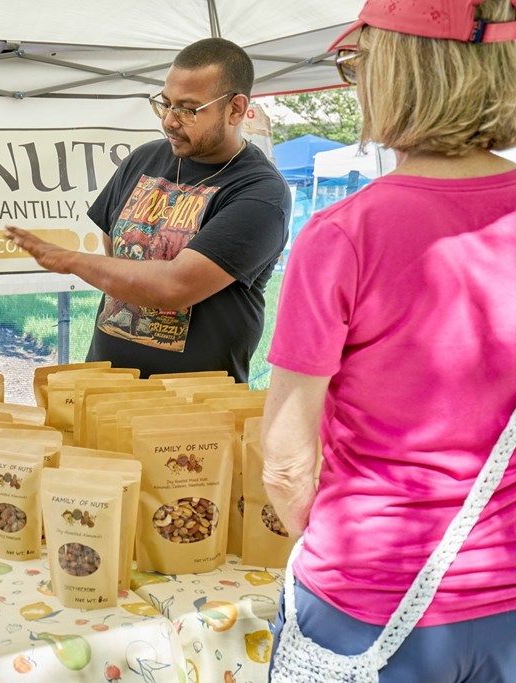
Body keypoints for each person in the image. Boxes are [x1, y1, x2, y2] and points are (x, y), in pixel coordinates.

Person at [261, 0, 516, 679]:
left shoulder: (344, 234)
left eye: (358, 63)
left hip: (368, 595)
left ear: (397, 73)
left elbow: (287, 460)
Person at [4, 38, 290, 383]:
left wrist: (70, 260)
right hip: (105, 384)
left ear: (235, 108)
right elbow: (116, 255)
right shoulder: (143, 159)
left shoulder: (261, 193)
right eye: (165, 104)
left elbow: (175, 286)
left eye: (188, 109)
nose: (169, 121)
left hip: (190, 410)